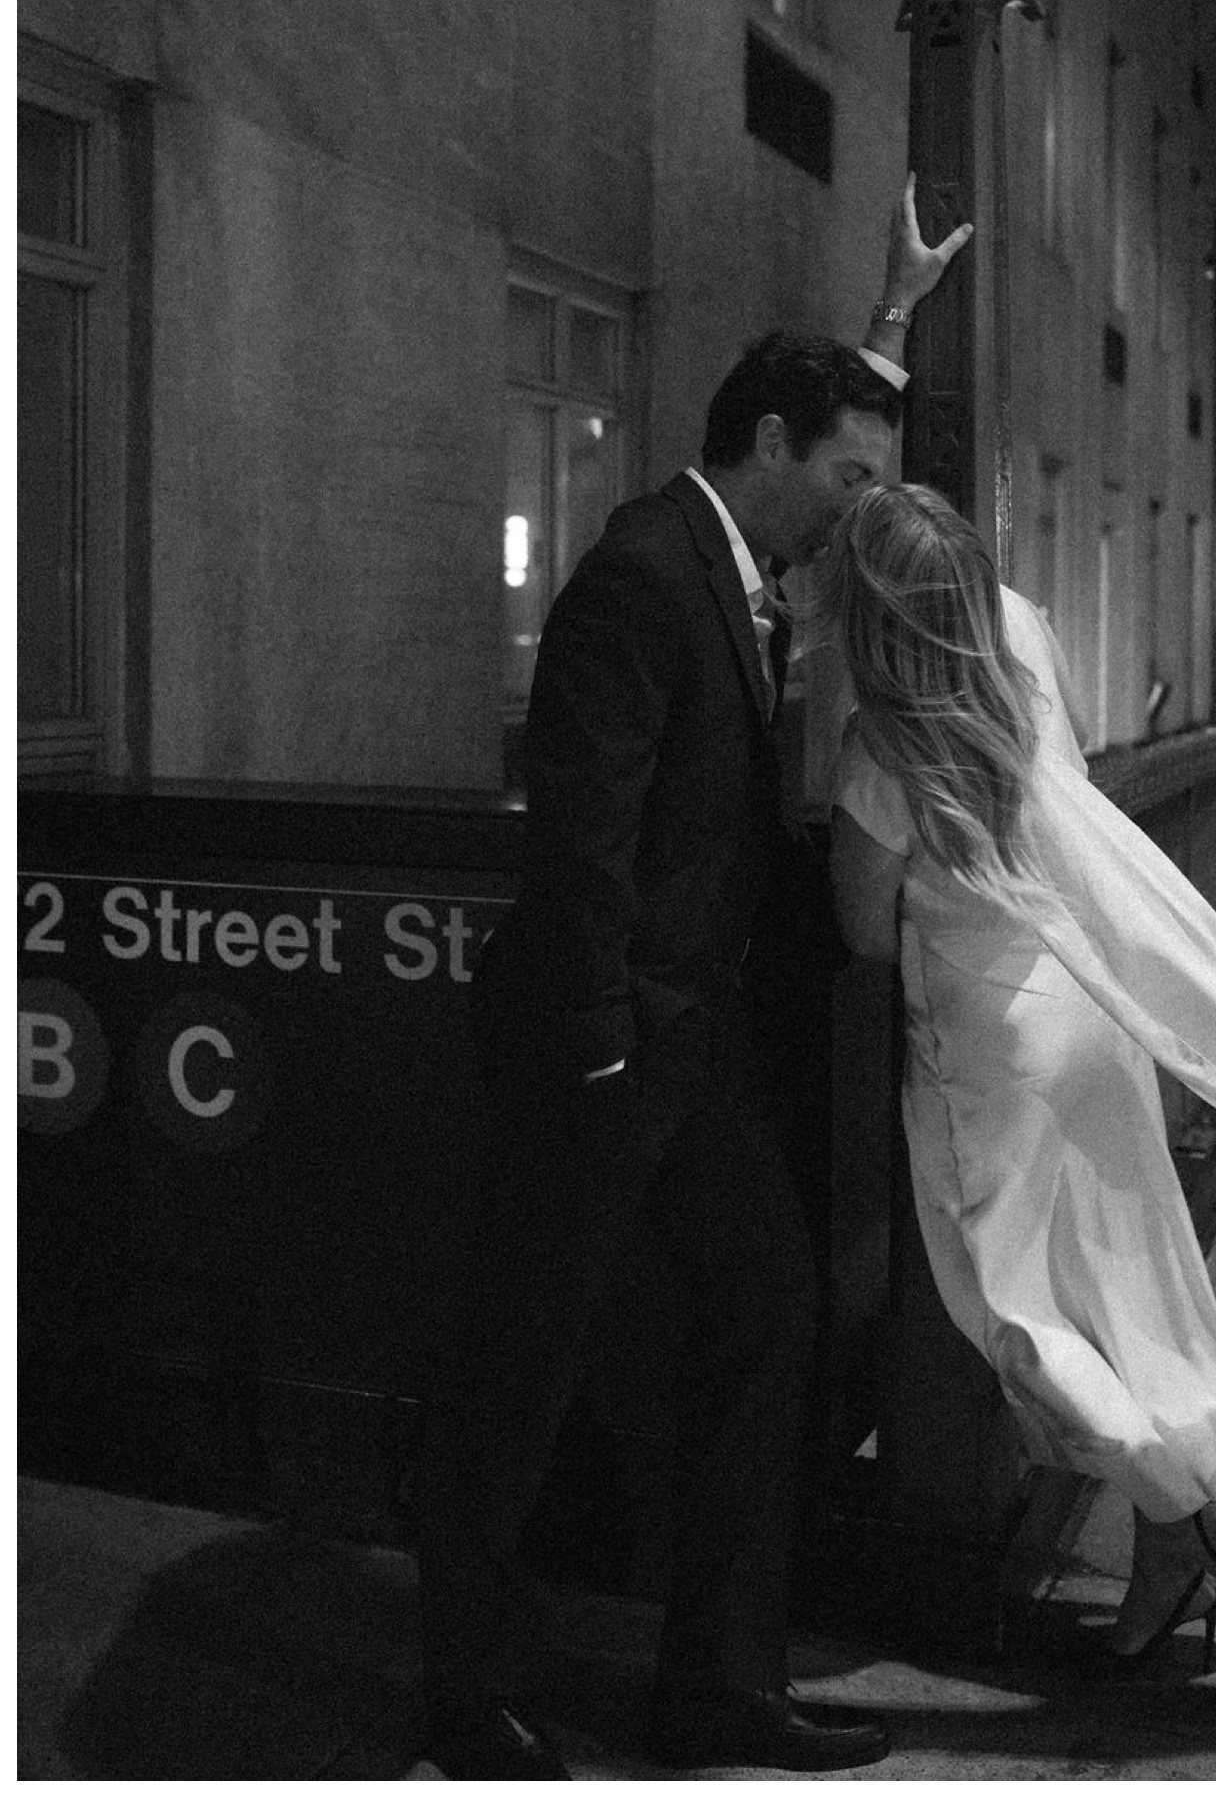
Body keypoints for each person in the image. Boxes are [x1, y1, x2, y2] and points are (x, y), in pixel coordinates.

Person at [414, 183, 972, 1778]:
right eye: (850, 475)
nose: (867, 509)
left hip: (695, 1048)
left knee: (769, 1311)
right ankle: (470, 1701)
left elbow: (860, 454)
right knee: (518, 1376)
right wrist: (593, 1065)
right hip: (598, 1056)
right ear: (773, 448)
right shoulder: (640, 575)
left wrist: (887, 327)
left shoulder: (748, 562)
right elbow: (577, 849)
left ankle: (718, 1688)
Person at [824, 482, 1216, 1681]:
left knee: (1018, 1311)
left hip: (991, 1044)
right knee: (1138, 1282)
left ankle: (1173, 1519)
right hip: (1093, 1004)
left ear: (878, 614)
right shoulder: (1026, 632)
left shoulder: (884, 742)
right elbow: (1073, 784)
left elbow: (864, 930)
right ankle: (1182, 1533)